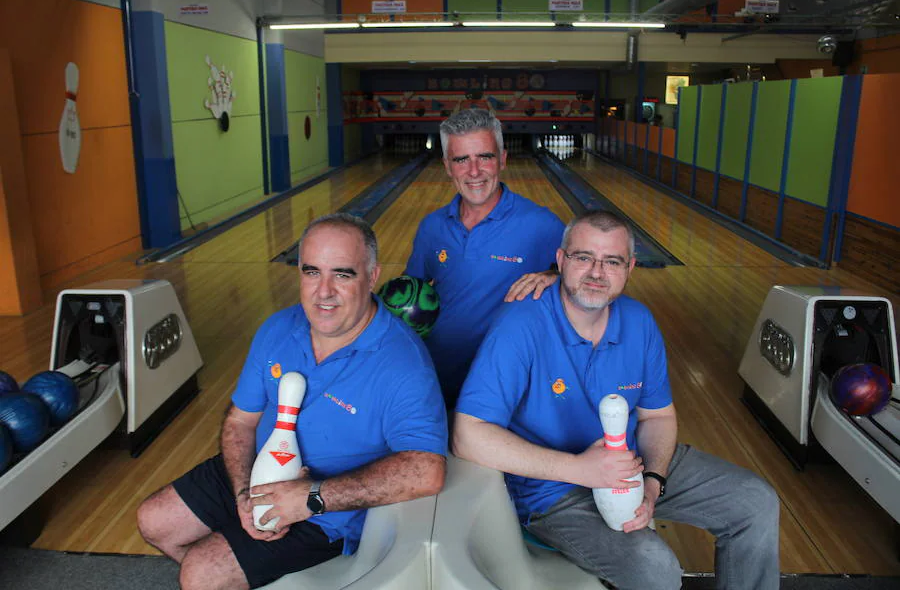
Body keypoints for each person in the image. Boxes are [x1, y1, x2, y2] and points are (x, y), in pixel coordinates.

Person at [452, 210, 780, 590]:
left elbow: (657, 417)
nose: (596, 272)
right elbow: (468, 435)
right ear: (560, 261)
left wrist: (653, 481)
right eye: (583, 257)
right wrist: (582, 470)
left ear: (631, 268)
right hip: (553, 489)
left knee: (754, 502)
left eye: (612, 261)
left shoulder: (639, 321)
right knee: (654, 568)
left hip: (633, 464)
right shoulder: (520, 326)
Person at [137, 214, 448, 590]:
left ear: (372, 275)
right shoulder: (278, 329)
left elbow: (426, 470)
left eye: (343, 274)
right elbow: (240, 421)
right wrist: (243, 492)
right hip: (255, 471)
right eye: (312, 271)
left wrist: (310, 498)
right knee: (154, 521)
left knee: (201, 573)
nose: (324, 292)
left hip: (327, 510)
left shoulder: (403, 363)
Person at [406, 109, 565, 408]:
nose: (474, 171)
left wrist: (556, 277)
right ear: (447, 166)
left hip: (508, 387)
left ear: (503, 159)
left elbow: (589, 285)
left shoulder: (543, 225)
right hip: (436, 380)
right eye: (461, 159)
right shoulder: (431, 228)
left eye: (485, 157)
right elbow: (409, 299)